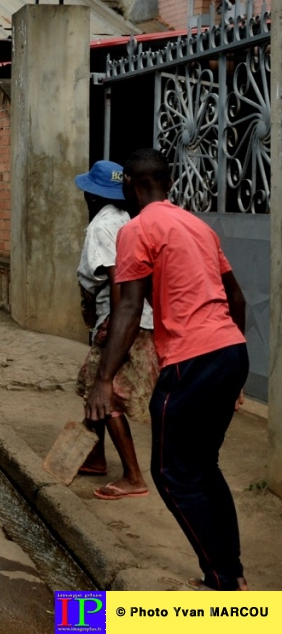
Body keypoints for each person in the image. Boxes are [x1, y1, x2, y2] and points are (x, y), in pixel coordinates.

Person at [87, 148, 249, 591]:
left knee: (172, 474)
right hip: (230, 353)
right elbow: (237, 300)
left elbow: (127, 307)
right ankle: (230, 572)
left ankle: (222, 582)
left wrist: (104, 380)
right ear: (168, 183)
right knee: (203, 466)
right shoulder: (198, 226)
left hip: (190, 360)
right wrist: (231, 372)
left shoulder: (137, 229)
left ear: (132, 187)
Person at [72, 160, 159, 501]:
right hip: (140, 319)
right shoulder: (129, 220)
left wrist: (110, 326)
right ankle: (93, 456)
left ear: (92, 197)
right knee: (92, 383)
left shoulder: (102, 225)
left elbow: (116, 279)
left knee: (105, 393)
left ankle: (133, 475)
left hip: (122, 320)